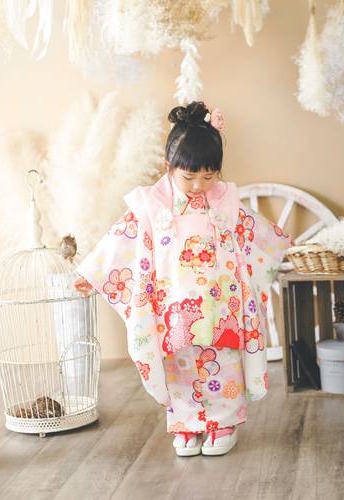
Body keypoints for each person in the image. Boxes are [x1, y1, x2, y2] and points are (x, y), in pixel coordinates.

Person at [74, 101, 292, 457]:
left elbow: (254, 232)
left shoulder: (226, 203)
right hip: (173, 305)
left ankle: (223, 423)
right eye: (188, 177)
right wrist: (92, 275)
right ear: (169, 166)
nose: (198, 185)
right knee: (179, 366)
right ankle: (187, 425)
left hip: (220, 304)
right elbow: (121, 240)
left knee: (221, 363)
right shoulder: (151, 205)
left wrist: (282, 245)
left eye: (209, 176)